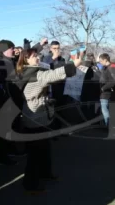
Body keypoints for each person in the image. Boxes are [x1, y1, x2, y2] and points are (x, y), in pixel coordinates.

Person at [16, 48, 82, 194]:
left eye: (37, 55)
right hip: (36, 118)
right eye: (34, 56)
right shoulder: (34, 74)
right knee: (35, 153)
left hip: (36, 116)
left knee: (44, 148)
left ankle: (45, 174)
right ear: (26, 60)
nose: (37, 58)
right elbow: (53, 75)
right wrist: (73, 65)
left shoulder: (24, 72)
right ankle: (30, 184)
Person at [98, 53, 115, 127]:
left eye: (101, 61)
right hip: (107, 92)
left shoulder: (112, 67)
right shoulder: (106, 67)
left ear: (105, 60)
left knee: (105, 109)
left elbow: (113, 81)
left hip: (107, 92)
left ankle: (108, 124)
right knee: (106, 109)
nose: (100, 63)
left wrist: (103, 88)